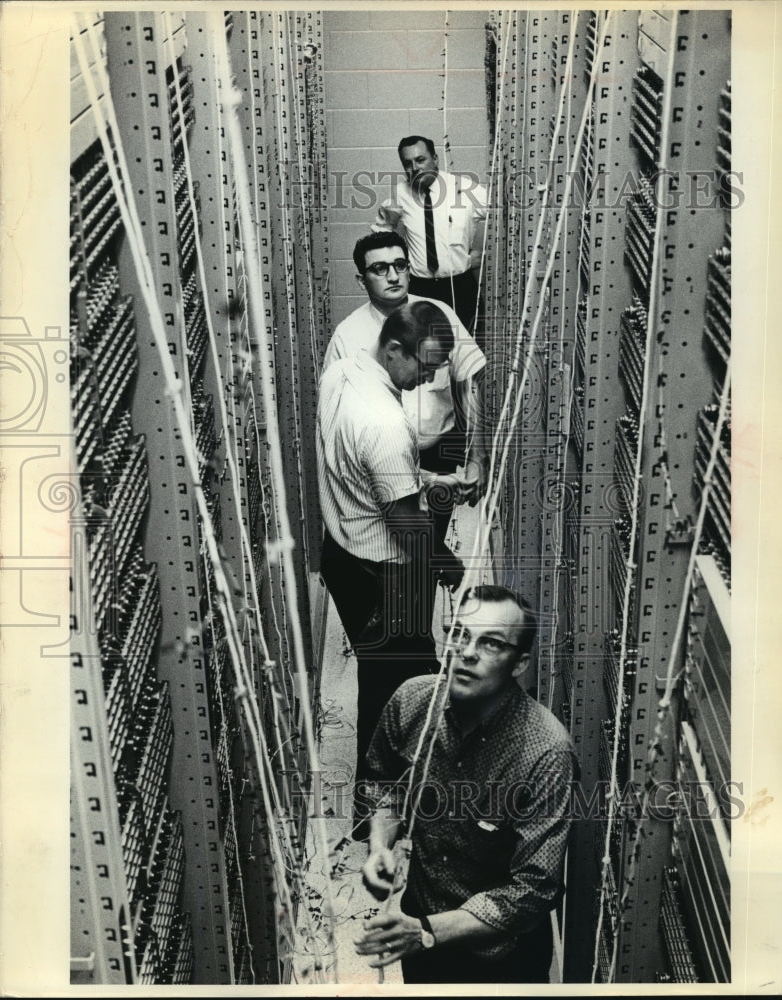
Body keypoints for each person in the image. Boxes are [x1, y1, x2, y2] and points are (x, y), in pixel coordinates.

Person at [356, 584, 577, 984]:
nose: (467, 651)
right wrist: (378, 847)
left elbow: (533, 889)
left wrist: (428, 932)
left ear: (520, 663)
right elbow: (382, 785)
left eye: (491, 643)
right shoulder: (411, 701)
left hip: (501, 962)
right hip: (419, 927)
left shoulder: (546, 752)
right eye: (459, 633)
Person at [316, 299, 470, 825]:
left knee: (395, 675)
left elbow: (361, 472)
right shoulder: (386, 422)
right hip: (380, 571)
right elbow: (405, 524)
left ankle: (380, 802)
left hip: (340, 553)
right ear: (394, 348)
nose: (428, 378)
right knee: (400, 691)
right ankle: (379, 810)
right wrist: (450, 566)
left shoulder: (342, 372)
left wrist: (429, 480)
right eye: (423, 366)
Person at [323, 232, 490, 603]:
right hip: (375, 474)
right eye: (380, 269)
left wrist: (477, 457)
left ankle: (416, 629)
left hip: (437, 454)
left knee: (424, 554)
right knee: (395, 557)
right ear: (361, 278)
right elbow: (336, 422)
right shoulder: (347, 337)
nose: (394, 276)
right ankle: (402, 639)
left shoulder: (438, 314)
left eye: (400, 265)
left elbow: (471, 382)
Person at [371, 135, 488, 331]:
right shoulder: (400, 193)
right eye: (407, 163)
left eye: (420, 160)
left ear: (435, 159)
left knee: (468, 352)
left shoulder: (465, 190)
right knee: (421, 351)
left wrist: (482, 255)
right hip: (420, 289)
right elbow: (381, 233)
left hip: (461, 287)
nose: (415, 168)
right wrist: (394, 268)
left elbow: (504, 218)